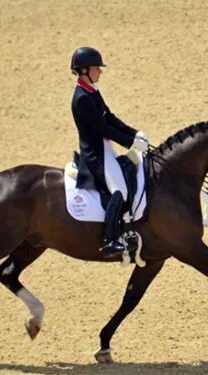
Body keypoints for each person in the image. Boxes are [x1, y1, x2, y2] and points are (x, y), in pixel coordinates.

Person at [70, 47, 149, 257]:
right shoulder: (81, 98)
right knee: (120, 191)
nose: (100, 72)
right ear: (85, 70)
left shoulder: (92, 91)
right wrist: (130, 143)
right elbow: (102, 129)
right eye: (97, 68)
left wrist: (135, 134)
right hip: (95, 154)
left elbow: (110, 118)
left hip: (105, 149)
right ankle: (110, 240)